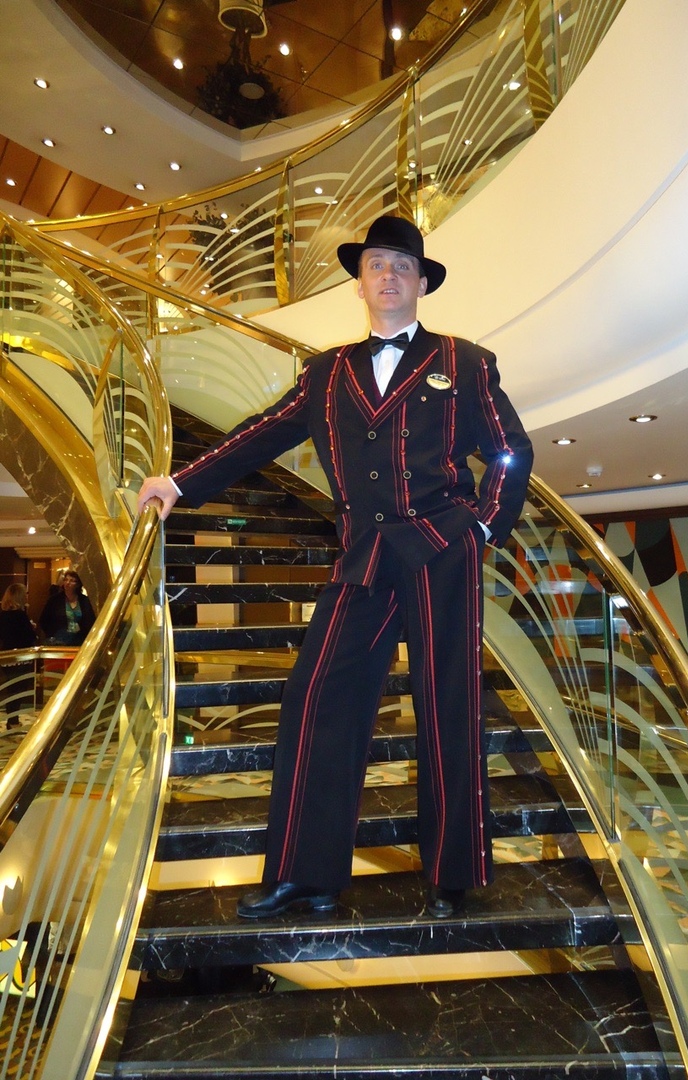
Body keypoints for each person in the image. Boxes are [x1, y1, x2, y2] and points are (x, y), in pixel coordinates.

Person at [137, 215, 534, 920]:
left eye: (402, 266)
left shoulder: (465, 361)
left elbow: (510, 448)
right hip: (364, 557)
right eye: (377, 264)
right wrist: (179, 482)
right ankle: (306, 874)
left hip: (443, 550)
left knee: (448, 705)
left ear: (421, 283)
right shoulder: (325, 373)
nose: (389, 275)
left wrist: (482, 526)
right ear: (360, 283)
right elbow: (262, 432)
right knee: (317, 698)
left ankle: (453, 875)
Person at [0, 583, 38, 731]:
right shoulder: (21, 616)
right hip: (21, 657)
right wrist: (32, 628)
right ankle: (13, 720)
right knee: (19, 689)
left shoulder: (3, 616)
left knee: (11, 689)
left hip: (7, 656)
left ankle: (12, 719)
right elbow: (29, 637)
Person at [38, 570, 95, 646]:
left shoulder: (84, 600)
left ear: (78, 584)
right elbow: (43, 620)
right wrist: (51, 636)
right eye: (66, 580)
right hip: (58, 641)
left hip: (79, 641)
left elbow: (90, 621)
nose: (68, 583)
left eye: (72, 581)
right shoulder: (55, 600)